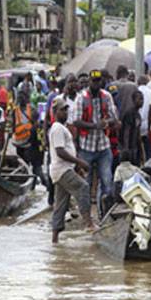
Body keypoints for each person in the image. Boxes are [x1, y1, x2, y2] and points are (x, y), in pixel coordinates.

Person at [49, 97, 94, 244]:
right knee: (83, 187)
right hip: (61, 170)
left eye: (66, 109)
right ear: (55, 112)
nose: (65, 112)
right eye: (62, 110)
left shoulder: (61, 128)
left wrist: (76, 167)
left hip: (61, 170)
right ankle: (88, 224)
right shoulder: (57, 128)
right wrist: (80, 162)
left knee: (60, 205)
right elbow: (60, 151)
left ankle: (54, 239)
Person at [73, 69, 118, 215]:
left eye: (98, 81)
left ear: (101, 82)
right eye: (93, 81)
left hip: (104, 146)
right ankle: (86, 216)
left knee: (107, 181)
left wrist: (107, 122)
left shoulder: (107, 96)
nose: (96, 84)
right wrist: (94, 125)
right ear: (90, 82)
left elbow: (114, 117)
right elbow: (76, 121)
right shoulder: (81, 98)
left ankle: (103, 213)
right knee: (86, 183)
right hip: (86, 147)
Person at [119, 91, 143, 166]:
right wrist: (126, 149)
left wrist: (141, 150)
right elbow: (126, 131)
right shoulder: (129, 113)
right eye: (139, 99)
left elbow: (138, 132)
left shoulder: (138, 115)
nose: (141, 101)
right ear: (133, 100)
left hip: (135, 147)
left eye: (142, 99)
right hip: (129, 147)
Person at [137, 75, 151, 161]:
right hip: (148, 123)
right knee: (148, 148)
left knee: (138, 147)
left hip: (137, 124)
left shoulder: (136, 91)